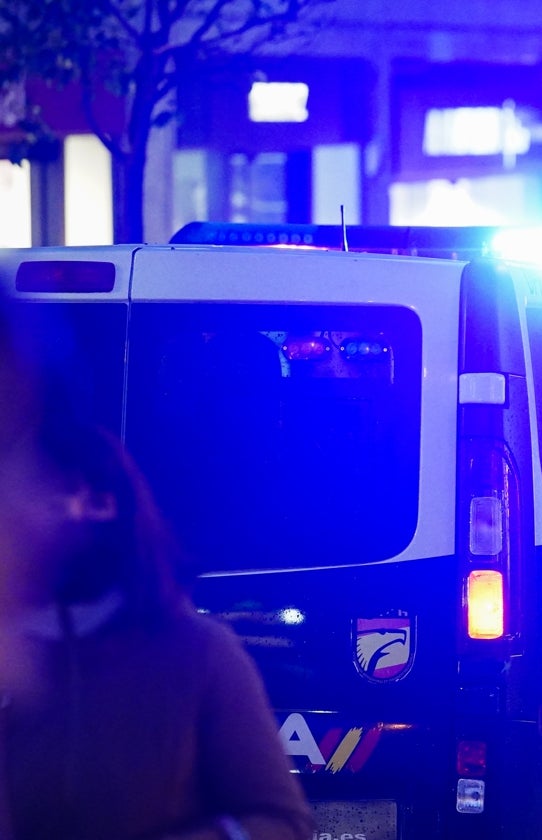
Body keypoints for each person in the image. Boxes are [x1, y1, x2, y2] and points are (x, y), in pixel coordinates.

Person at [0, 307, 313, 840]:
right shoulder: (15, 654)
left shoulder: (195, 653)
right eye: (39, 499)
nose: (63, 517)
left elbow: (282, 820)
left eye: (89, 502)